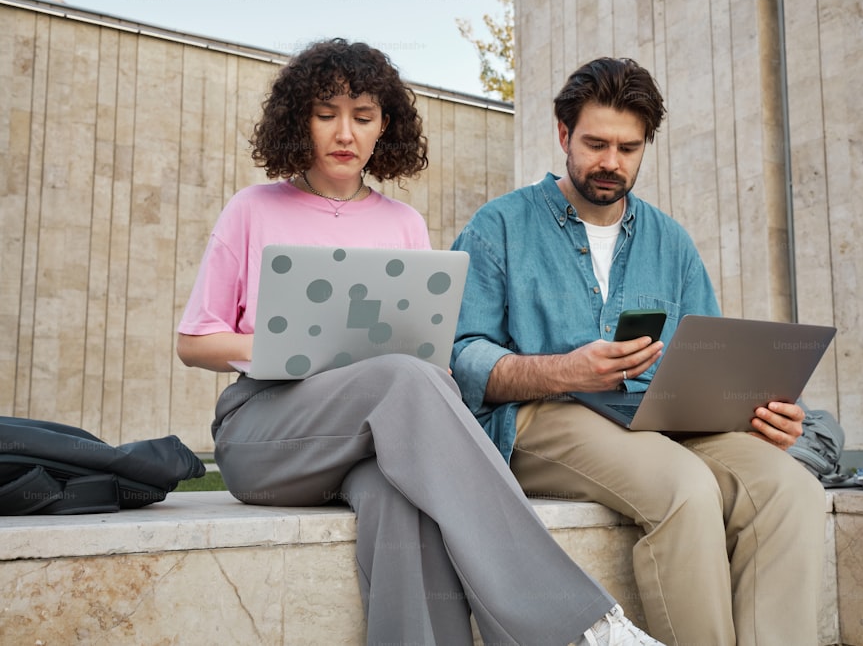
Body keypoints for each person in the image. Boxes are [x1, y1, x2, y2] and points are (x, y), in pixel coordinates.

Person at [176, 39, 664, 646]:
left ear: (386, 126)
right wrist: (280, 345)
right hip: (268, 435)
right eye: (326, 114)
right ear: (300, 118)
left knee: (402, 495)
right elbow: (195, 342)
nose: (344, 134)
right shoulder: (252, 210)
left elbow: (428, 349)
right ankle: (581, 625)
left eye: (362, 117)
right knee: (408, 378)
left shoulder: (403, 224)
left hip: (369, 445)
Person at [450, 57, 827, 645]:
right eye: (596, 143)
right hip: (540, 416)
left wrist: (756, 411)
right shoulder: (499, 226)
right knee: (684, 488)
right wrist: (563, 369)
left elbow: (711, 354)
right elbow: (460, 354)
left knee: (792, 488)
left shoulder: (669, 240)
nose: (611, 162)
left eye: (628, 148)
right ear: (562, 134)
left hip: (656, 417)